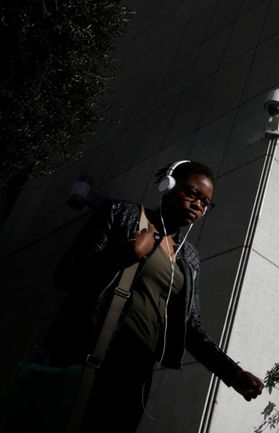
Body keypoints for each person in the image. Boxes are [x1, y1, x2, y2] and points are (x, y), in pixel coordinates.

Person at [46, 160, 263, 432]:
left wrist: (232, 373)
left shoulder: (189, 258)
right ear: (168, 184)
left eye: (206, 203)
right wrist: (127, 252)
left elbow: (190, 328)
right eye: (193, 193)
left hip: (138, 371)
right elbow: (65, 275)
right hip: (94, 351)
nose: (198, 205)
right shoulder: (121, 214)